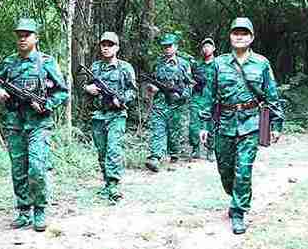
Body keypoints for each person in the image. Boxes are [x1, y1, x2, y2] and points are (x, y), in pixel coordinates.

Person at [199, 17, 283, 236]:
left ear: (251, 38)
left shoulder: (262, 64)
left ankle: (238, 211)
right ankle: (234, 194)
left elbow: (272, 95)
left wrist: (276, 124)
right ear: (230, 36)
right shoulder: (218, 64)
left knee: (243, 169)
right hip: (224, 122)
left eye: (244, 33)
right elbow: (208, 96)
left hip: (251, 122)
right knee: (226, 170)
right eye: (236, 33)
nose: (239, 36)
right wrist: (203, 125)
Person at [0, 18, 70, 231]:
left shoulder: (46, 62)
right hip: (15, 123)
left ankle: (40, 210)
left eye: (27, 34)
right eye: (19, 35)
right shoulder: (9, 63)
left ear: (36, 38)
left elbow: (63, 91)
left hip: (38, 124)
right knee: (18, 169)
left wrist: (46, 105)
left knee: (37, 167)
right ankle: (24, 211)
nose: (22, 38)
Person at [83, 32, 137, 202]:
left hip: (117, 114)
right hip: (98, 115)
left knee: (114, 149)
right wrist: (88, 89)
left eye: (110, 45)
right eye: (103, 45)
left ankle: (114, 184)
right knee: (102, 151)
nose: (106, 48)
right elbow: (84, 84)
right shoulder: (95, 67)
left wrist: (120, 99)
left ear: (117, 48)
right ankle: (107, 182)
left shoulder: (125, 68)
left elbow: (133, 91)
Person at [144, 33, 194, 171]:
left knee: (174, 132)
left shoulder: (184, 64)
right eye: (164, 46)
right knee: (157, 129)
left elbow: (190, 85)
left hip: (177, 105)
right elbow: (150, 82)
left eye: (169, 46)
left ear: (176, 47)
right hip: (160, 103)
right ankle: (155, 157)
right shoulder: (157, 64)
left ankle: (174, 153)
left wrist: (181, 96)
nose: (166, 48)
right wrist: (151, 88)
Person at [189, 37, 216, 161]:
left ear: (214, 48)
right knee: (194, 125)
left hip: (212, 99)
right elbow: (189, 79)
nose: (206, 49)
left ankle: (210, 150)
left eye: (209, 46)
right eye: (204, 46)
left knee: (212, 125)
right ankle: (196, 149)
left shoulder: (218, 65)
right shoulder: (197, 65)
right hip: (197, 98)